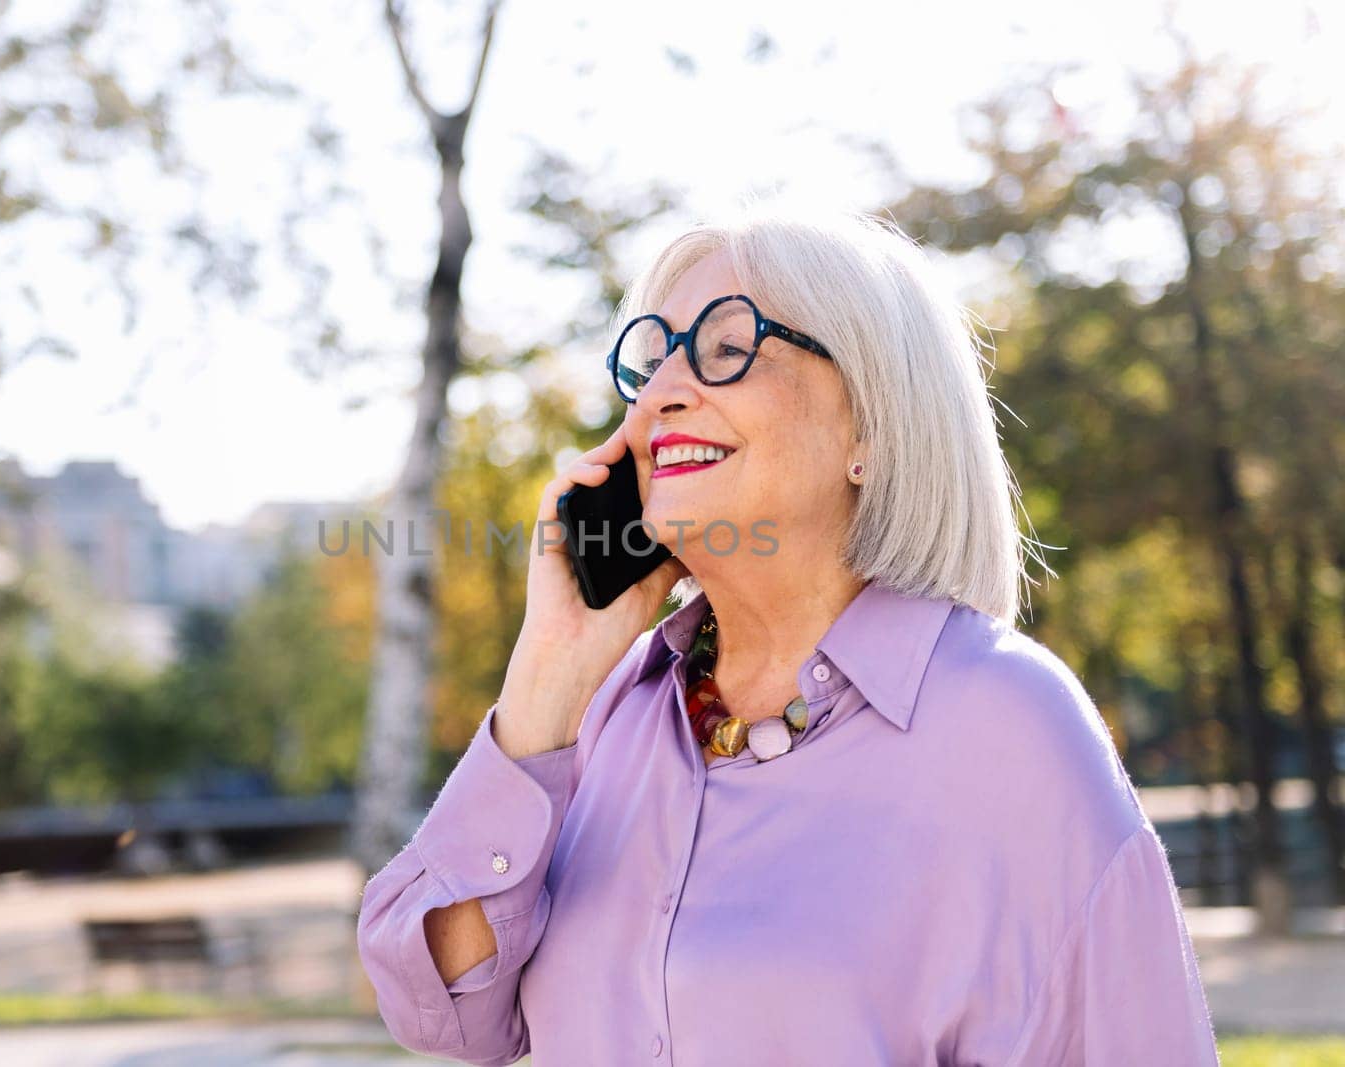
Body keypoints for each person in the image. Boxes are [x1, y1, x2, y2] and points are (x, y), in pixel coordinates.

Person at [356, 207, 1221, 1065]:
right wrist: (547, 674)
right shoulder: (608, 715)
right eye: (651, 364)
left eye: (727, 349)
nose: (661, 395)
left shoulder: (1010, 725)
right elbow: (443, 1009)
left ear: (870, 427)